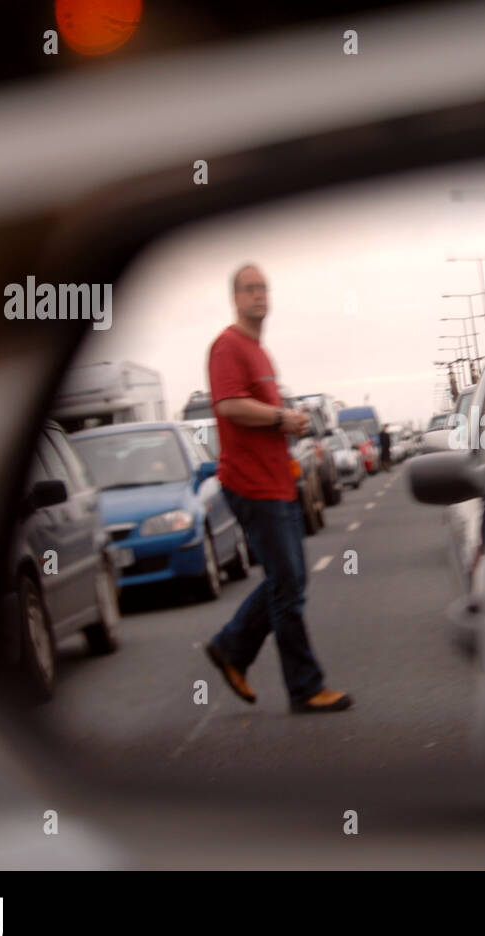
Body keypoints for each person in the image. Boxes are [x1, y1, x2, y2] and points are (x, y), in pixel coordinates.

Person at [203, 263, 353, 714]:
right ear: (235, 298)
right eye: (249, 289)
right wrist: (278, 418)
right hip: (250, 484)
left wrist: (291, 420)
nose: (259, 296)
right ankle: (304, 687)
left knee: (288, 582)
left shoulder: (260, 352)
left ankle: (232, 647)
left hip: (277, 482)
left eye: (263, 288)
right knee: (287, 586)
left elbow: (263, 411)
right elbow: (229, 405)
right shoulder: (227, 346)